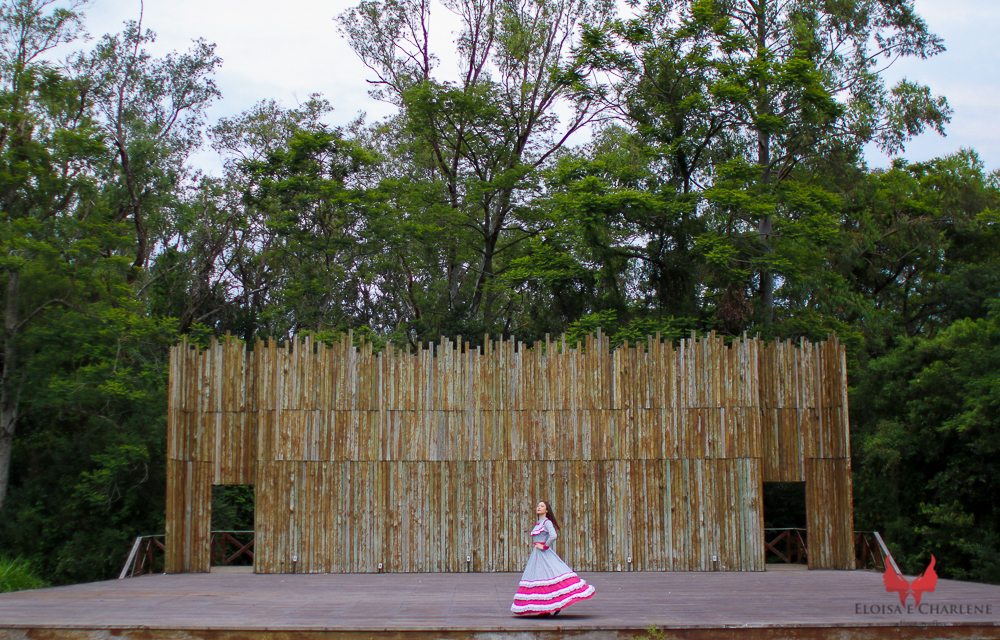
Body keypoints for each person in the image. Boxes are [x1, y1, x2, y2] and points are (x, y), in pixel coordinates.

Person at [510, 500, 595, 616]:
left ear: (546, 510)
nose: (539, 507)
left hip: (544, 553)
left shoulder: (547, 522)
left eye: (542, 506)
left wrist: (545, 546)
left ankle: (553, 605)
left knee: (549, 576)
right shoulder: (538, 523)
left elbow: (553, 535)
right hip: (537, 555)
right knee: (541, 578)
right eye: (538, 505)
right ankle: (546, 608)